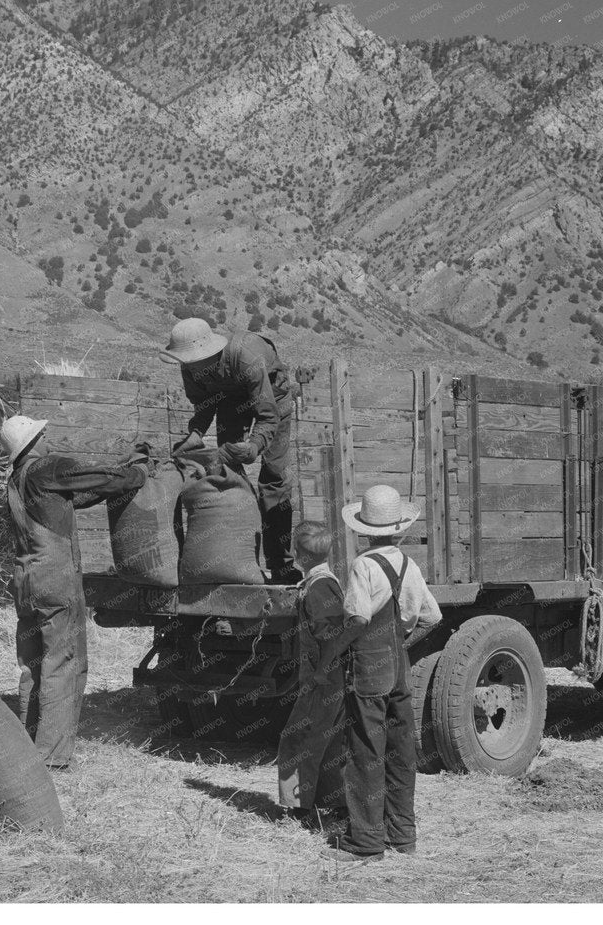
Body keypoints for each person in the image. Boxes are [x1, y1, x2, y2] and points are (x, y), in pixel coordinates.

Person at [0, 414, 148, 768]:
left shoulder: (17, 479)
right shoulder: (48, 467)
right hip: (55, 578)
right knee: (64, 662)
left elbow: (74, 498)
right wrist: (137, 473)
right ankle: (51, 757)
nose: (47, 434)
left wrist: (117, 473)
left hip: (26, 580)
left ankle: (28, 741)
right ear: (33, 442)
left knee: (34, 664)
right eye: (41, 432)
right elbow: (99, 479)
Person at [324, 485, 442, 863]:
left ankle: (367, 842)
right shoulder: (410, 565)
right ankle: (403, 835)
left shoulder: (364, 565)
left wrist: (333, 651)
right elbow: (432, 617)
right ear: (398, 529)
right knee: (400, 750)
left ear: (364, 530)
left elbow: (358, 617)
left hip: (369, 667)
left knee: (364, 752)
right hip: (399, 667)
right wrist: (402, 639)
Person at [160, 317, 298, 582]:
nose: (188, 364)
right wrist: (195, 434)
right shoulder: (190, 366)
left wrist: (254, 446)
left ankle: (281, 565)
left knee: (274, 479)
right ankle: (237, 562)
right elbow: (204, 404)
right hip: (230, 402)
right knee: (228, 472)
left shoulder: (246, 356)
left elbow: (268, 416)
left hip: (273, 401)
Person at [277, 521, 352, 819]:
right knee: (331, 741)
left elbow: (331, 636)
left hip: (323, 679)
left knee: (297, 739)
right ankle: (338, 803)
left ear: (301, 556)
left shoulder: (319, 588)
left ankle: (299, 808)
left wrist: (321, 672)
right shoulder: (322, 582)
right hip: (330, 678)